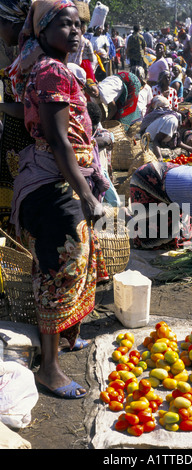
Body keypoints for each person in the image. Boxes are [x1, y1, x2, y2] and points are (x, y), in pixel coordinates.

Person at [11, 0, 109, 399]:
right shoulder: (51, 70)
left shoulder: (62, 69)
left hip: (65, 182)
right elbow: (57, 140)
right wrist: (85, 194)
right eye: (64, 25)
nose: (75, 32)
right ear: (42, 32)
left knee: (74, 262)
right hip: (54, 186)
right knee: (56, 270)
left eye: (78, 26)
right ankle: (48, 370)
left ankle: (67, 339)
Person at [0, 0, 34, 231]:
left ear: (12, 24)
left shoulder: (28, 58)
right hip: (14, 140)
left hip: (23, 144)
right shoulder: (23, 52)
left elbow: (27, 108)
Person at [140, 96, 192, 162]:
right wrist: (159, 157)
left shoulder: (177, 118)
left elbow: (178, 143)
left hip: (155, 143)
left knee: (181, 151)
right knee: (172, 154)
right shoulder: (172, 121)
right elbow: (156, 141)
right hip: (148, 145)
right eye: (189, 125)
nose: (188, 128)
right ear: (186, 120)